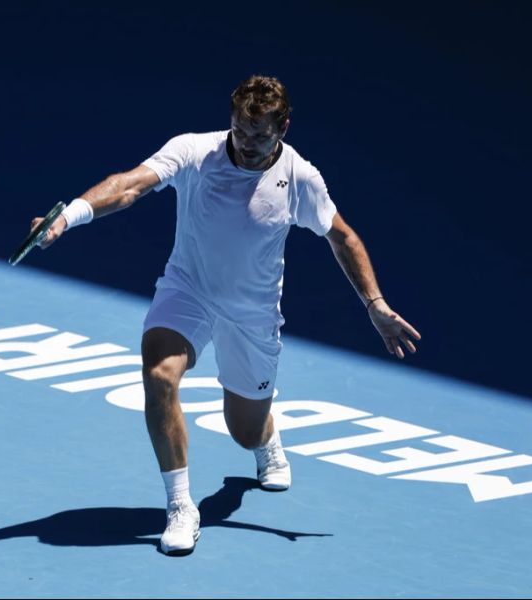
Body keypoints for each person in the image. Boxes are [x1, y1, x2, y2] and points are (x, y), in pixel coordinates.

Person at [30, 75, 421, 556]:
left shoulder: (299, 178)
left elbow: (342, 237)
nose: (248, 143)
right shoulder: (195, 152)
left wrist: (375, 305)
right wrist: (70, 215)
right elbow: (130, 185)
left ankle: (265, 441)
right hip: (187, 290)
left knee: (244, 429)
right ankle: (180, 506)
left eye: (261, 134)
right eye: (240, 129)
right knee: (159, 373)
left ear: (284, 128)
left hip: (251, 316)